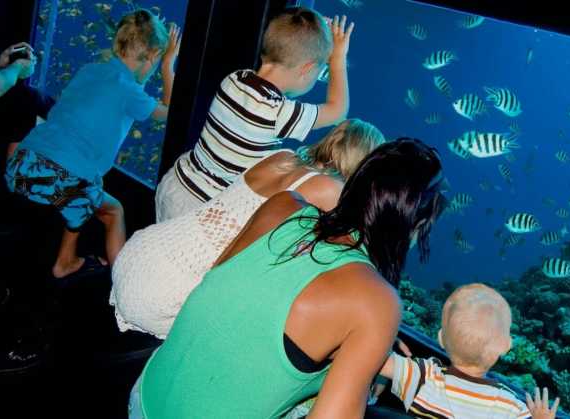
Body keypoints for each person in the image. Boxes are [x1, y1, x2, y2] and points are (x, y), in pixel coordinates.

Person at [127, 138, 447, 418]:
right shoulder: (377, 303)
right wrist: (368, 351)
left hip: (145, 395)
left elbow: (220, 290)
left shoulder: (283, 206)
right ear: (414, 228)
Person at [111, 119, 385, 339]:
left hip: (142, 251)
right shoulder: (330, 189)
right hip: (168, 287)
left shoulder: (281, 156)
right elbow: (358, 253)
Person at [4, 9, 180, 279]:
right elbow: (171, 111)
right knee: (113, 211)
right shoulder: (129, 91)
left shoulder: (90, 70)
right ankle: (116, 283)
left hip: (20, 165)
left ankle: (64, 255)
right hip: (62, 180)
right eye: (156, 63)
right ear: (152, 56)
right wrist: (169, 66)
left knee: (77, 180)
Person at [154, 7, 353, 222]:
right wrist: (337, 59)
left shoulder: (234, 79)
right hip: (202, 209)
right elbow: (338, 110)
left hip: (176, 183)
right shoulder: (278, 113)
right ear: (307, 69)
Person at [378, 283, 561, 419]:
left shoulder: (422, 377)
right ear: (506, 346)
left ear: (441, 338)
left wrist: (391, 338)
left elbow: (375, 359)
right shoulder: (510, 406)